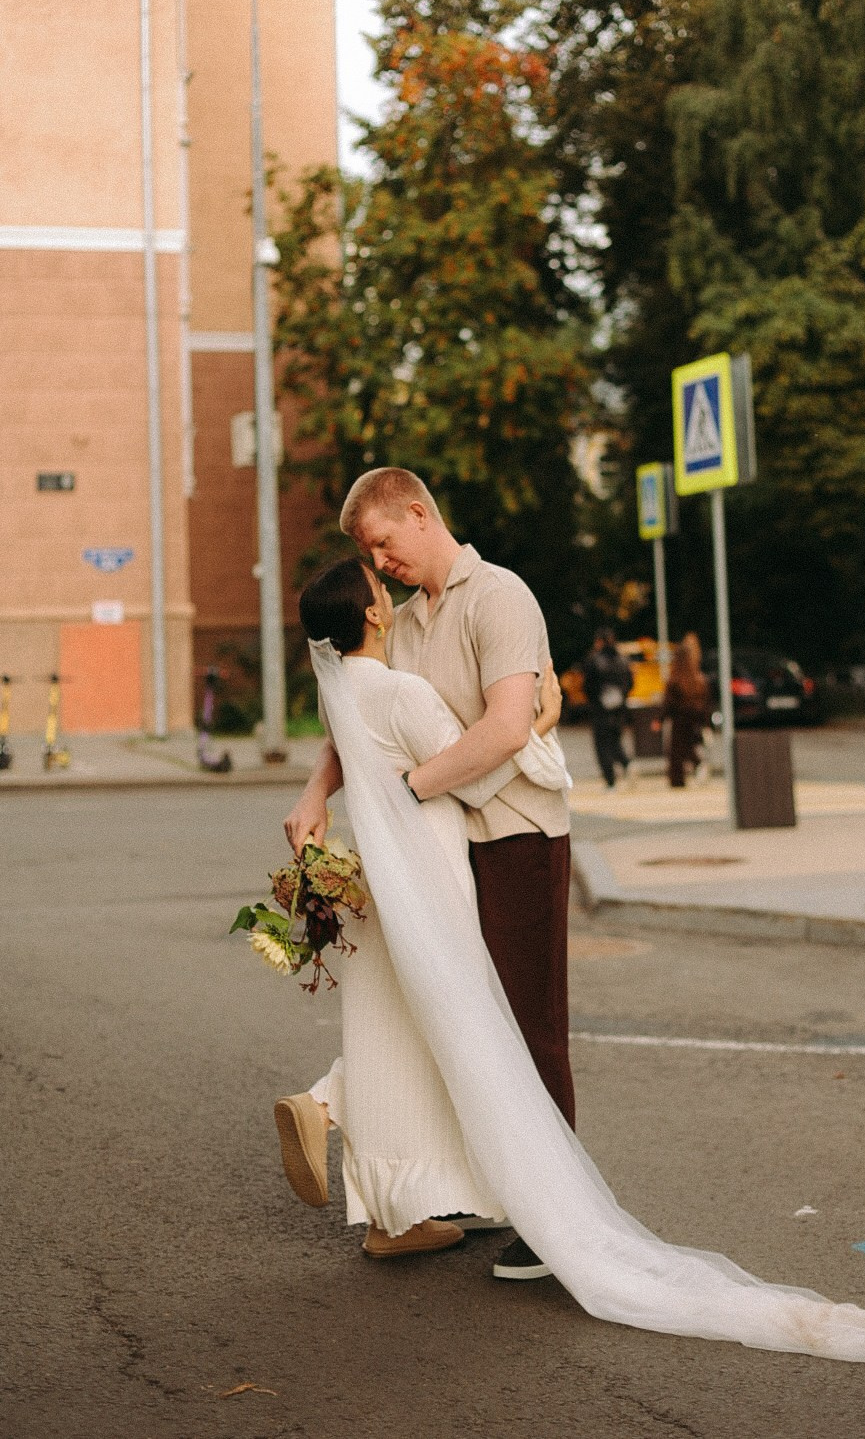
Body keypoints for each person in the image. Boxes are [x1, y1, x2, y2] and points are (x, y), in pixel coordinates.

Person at [293, 627, 865, 1368]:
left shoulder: (347, 689)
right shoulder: (401, 686)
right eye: (375, 575)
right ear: (368, 611)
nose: (386, 580)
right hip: (432, 867)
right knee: (463, 1033)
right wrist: (536, 724)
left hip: (381, 870)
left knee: (407, 1030)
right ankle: (347, 1110)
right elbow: (471, 769)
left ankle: (365, 1153)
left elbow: (353, 744)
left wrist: (318, 787)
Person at [284, 467, 574, 1281]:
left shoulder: (500, 597)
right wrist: (319, 789)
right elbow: (362, 714)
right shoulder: (404, 623)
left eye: (382, 542)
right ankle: (486, 1188)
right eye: (368, 554)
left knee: (528, 1025)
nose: (380, 561)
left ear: (419, 514)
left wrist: (402, 792)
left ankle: (552, 1221)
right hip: (444, 847)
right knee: (455, 1018)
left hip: (514, 834)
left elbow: (507, 727)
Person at [582, 628, 632, 788]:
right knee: (615, 739)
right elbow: (630, 682)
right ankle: (627, 765)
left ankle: (610, 779)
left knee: (602, 744)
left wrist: (595, 699)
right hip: (619, 707)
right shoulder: (622, 660)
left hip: (600, 708)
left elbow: (588, 686)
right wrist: (622, 696)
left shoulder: (594, 660)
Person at [662, 631, 711, 788]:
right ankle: (698, 765)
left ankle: (678, 780)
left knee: (677, 750)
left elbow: (669, 701)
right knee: (690, 746)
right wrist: (707, 722)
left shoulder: (675, 678)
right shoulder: (698, 678)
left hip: (679, 718)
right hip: (695, 717)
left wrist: (660, 718)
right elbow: (705, 701)